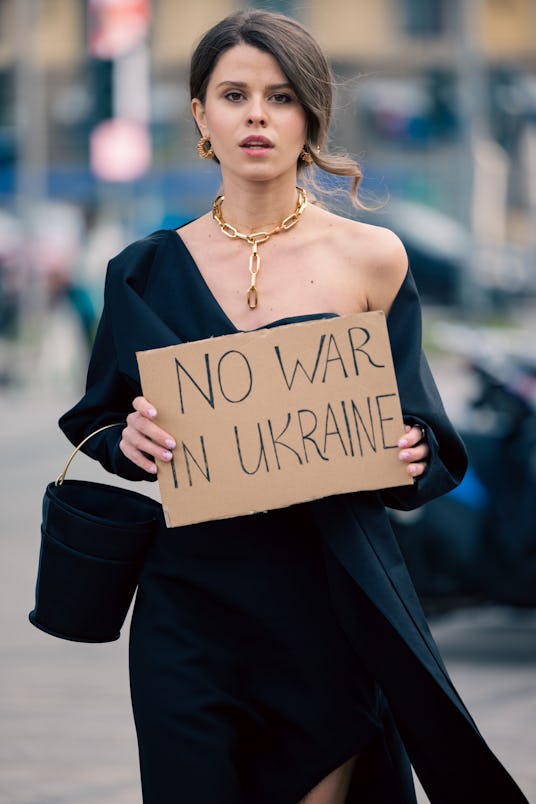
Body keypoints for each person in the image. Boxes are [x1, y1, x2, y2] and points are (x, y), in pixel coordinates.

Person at [59, 10, 528, 804]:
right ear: (201, 113)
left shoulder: (371, 257)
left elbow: (425, 427)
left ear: (310, 114)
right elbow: (100, 417)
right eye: (234, 94)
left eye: (280, 97)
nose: (256, 115)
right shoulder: (139, 269)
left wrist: (408, 446)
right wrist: (128, 442)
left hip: (331, 601)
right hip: (190, 604)